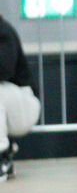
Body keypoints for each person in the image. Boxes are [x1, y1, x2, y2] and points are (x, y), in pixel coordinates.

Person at [0, 14, 40, 183]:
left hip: (24, 103)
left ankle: (1, 156)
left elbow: (4, 70)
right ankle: (6, 157)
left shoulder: (4, 32)